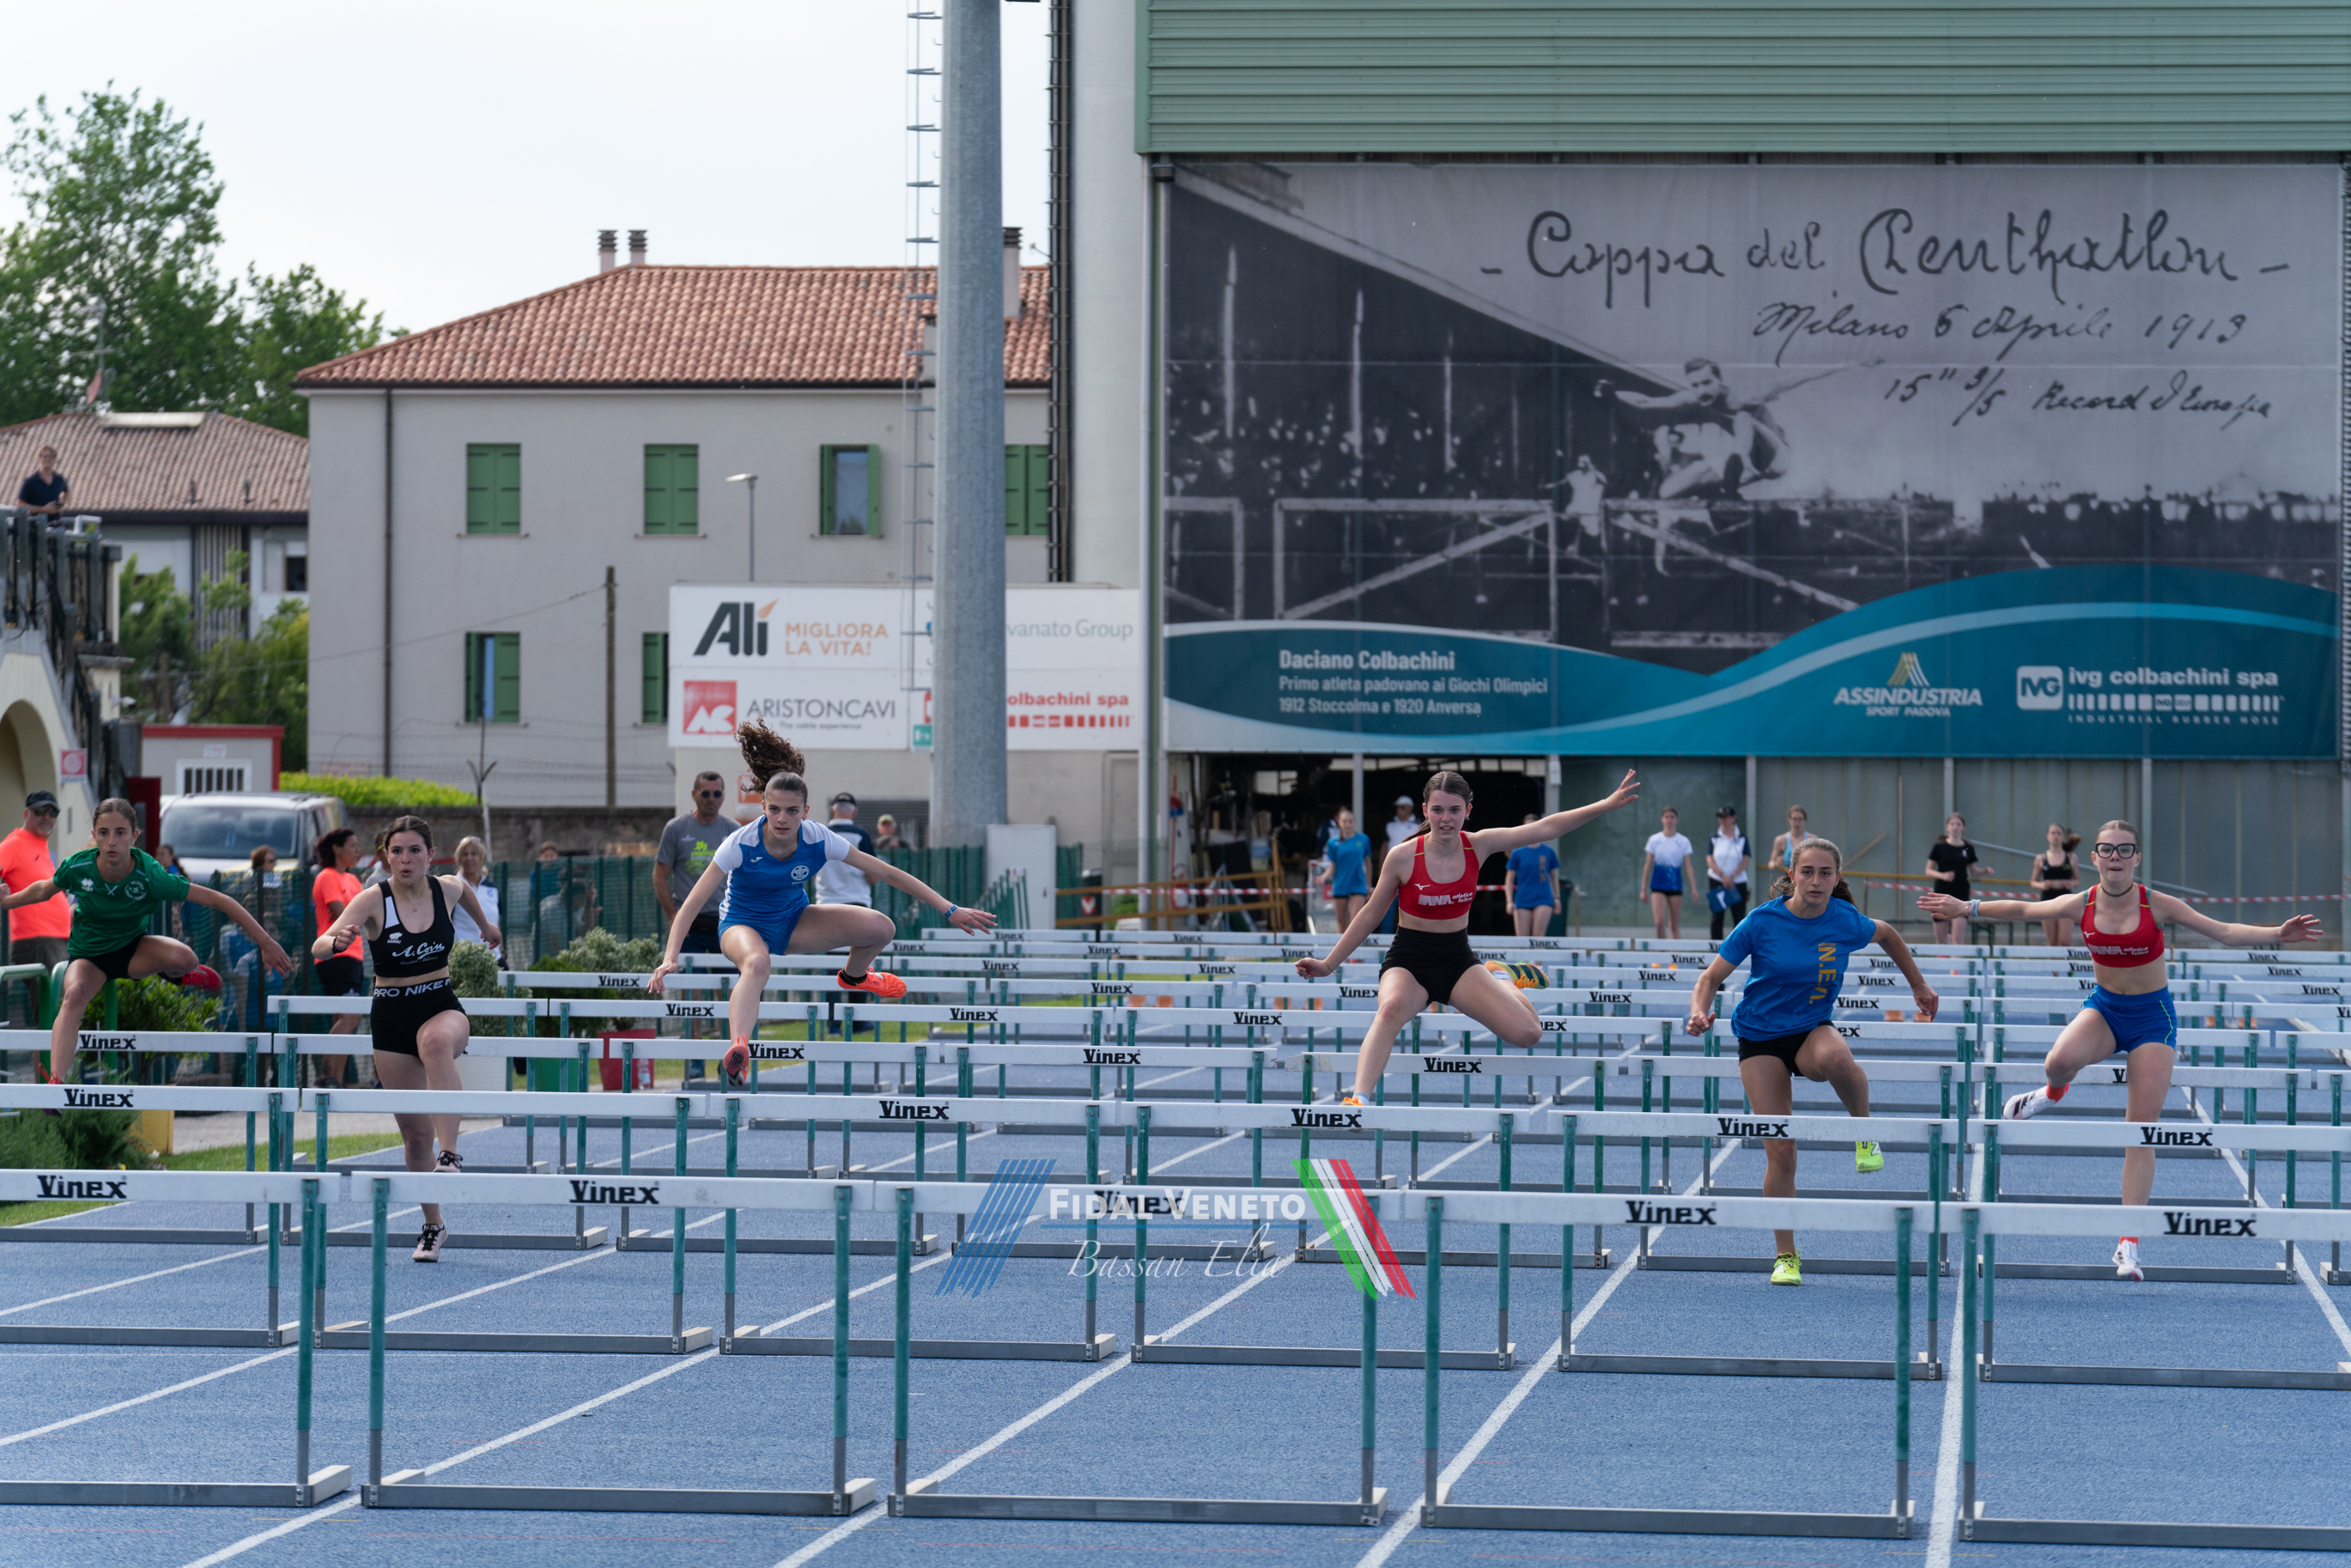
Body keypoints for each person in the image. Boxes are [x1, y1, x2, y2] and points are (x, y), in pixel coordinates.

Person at [1923, 820, 2323, 1280]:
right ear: (2094, 858)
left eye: (2124, 850)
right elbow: (2025, 909)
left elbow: (2224, 931)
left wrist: (2277, 934)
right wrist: (1967, 907)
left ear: (2137, 858)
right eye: (2107, 850)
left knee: (2140, 1130)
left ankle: (2128, 1243)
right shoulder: (2082, 902)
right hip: (2107, 1010)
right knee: (2057, 1063)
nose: (2115, 857)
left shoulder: (2157, 904)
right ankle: (2050, 1094)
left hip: (2152, 1018)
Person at [650, 720, 998, 1086]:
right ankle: (738, 1051)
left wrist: (949, 908)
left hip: (793, 921)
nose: (782, 819)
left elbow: (888, 873)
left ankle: (855, 976)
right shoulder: (739, 844)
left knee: (881, 927)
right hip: (741, 924)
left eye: (792, 811)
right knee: (757, 963)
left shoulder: (819, 838)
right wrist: (671, 956)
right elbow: (692, 904)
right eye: (775, 810)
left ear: (806, 811)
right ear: (763, 807)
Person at [1297, 769, 1640, 1107]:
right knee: (1388, 1010)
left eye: (1454, 810)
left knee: (1529, 1033)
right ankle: (1359, 1099)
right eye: (1437, 810)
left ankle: (1502, 977)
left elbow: (1546, 828)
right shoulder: (1403, 856)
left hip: (1457, 961)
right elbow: (1370, 914)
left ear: (1468, 811)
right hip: (1408, 962)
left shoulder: (1478, 845)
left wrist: (1604, 804)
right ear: (1425, 810)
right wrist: (1328, 964)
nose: (1446, 819)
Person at [1688, 837, 1940, 1285]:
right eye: (1807, 872)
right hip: (1761, 1038)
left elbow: (1887, 933)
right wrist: (1698, 1011)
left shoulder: (1844, 920)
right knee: (1782, 1152)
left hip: (1810, 1030)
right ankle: (1786, 1255)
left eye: (1826, 873)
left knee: (1838, 1057)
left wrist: (1918, 985)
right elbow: (1709, 978)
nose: (1816, 881)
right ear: (1792, 875)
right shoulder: (1761, 922)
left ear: (1837, 878)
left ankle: (1864, 1134)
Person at [312, 815, 502, 1263]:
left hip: (440, 1003)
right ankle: (433, 1225)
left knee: (435, 1044)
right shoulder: (372, 899)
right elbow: (319, 945)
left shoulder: (447, 889)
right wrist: (336, 942)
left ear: (430, 855)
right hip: (391, 1015)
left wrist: (487, 928)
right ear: (386, 856)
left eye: (414, 850)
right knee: (415, 1137)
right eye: (396, 851)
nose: (405, 859)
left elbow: (466, 891)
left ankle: (451, 1154)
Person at [7, 797, 269, 1086]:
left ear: (134, 836)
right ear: (94, 835)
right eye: (104, 833)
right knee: (73, 996)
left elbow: (219, 900)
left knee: (187, 959)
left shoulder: (150, 874)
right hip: (89, 957)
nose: (112, 842)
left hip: (132, 951)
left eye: (120, 833)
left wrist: (266, 943)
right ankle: (56, 1082)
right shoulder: (79, 867)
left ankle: (178, 975)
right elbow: (43, 890)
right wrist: (7, 902)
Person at [310, 829, 367, 1088]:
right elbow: (343, 916)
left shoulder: (353, 879)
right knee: (350, 1017)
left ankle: (337, 1080)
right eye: (352, 845)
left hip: (355, 956)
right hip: (335, 955)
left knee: (345, 1019)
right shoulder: (327, 876)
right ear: (336, 848)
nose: (358, 851)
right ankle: (325, 1076)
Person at [656, 772, 734, 957]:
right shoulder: (676, 829)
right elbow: (659, 876)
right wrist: (673, 915)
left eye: (717, 794)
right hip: (688, 923)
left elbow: (745, 876)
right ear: (694, 794)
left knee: (733, 975)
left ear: (723, 797)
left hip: (725, 921)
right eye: (705, 793)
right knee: (690, 975)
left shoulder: (733, 830)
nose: (711, 799)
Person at [0, 791, 70, 974]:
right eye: (40, 811)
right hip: (39, 942)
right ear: (26, 813)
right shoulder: (15, 843)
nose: (47, 817)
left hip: (51, 942)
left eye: (53, 812)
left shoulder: (39, 846)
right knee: (58, 993)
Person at [1639, 807, 1695, 939]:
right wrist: (1643, 889)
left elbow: (1688, 867)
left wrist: (1694, 889)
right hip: (1658, 885)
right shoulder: (1654, 840)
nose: (1669, 820)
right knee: (1659, 923)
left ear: (1676, 820)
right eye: (1667, 817)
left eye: (1672, 817)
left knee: (1674, 925)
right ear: (1662, 819)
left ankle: (1674, 952)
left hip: (1675, 886)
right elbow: (1648, 866)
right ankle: (1661, 950)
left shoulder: (1683, 841)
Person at [1503, 815, 1560, 938]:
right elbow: (1509, 879)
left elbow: (1553, 877)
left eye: (1533, 826)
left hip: (1543, 898)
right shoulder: (1517, 852)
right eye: (1527, 827)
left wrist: (1556, 898)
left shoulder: (1549, 851)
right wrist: (1509, 901)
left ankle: (1539, 952)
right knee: (1522, 939)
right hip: (1523, 899)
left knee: (1538, 937)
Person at [814, 793, 875, 907]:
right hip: (857, 902)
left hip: (827, 903)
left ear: (832, 810)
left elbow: (814, 872)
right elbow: (872, 877)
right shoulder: (861, 835)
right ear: (855, 812)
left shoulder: (819, 835)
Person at [1924, 813, 1977, 944]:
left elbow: (1973, 871)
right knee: (1941, 939)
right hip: (1942, 892)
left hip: (1961, 893)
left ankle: (1956, 957)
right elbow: (1928, 870)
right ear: (1947, 827)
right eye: (1952, 824)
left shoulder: (1968, 847)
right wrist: (1943, 875)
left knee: (1958, 938)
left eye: (1958, 824)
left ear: (1963, 828)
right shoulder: (1939, 847)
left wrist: (1984, 871)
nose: (1955, 827)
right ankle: (1945, 953)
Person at [1320, 807, 1374, 932]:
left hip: (1358, 884)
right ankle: (1341, 945)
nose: (1348, 824)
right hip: (1341, 884)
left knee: (1355, 923)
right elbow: (1333, 866)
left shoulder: (1363, 839)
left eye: (1350, 821)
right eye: (1344, 821)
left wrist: (1368, 884)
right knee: (1341, 923)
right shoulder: (1333, 842)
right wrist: (1323, 877)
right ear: (1339, 823)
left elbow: (1368, 863)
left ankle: (1355, 945)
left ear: (1354, 822)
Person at [2030, 824, 2081, 947]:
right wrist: (2042, 885)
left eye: (2059, 833)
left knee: (2065, 941)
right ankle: (2052, 961)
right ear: (2048, 836)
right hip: (2048, 900)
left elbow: (2077, 880)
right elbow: (2033, 882)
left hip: (2066, 901)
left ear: (2063, 837)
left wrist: (2072, 883)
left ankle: (2068, 960)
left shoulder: (2071, 857)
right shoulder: (2041, 858)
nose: (2056, 836)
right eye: (2053, 833)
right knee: (2052, 943)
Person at [1706, 805, 1752, 941]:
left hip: (1737, 882)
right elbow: (1710, 859)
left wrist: (1732, 876)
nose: (1723, 820)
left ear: (1733, 818)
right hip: (1717, 880)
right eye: (1720, 817)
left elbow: (1746, 858)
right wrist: (1723, 876)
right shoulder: (1714, 837)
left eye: (1726, 817)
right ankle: (1715, 948)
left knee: (1739, 917)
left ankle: (1737, 947)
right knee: (1717, 916)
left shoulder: (1742, 837)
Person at [450, 836, 501, 953]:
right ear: (459, 858)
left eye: (474, 854)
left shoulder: (492, 888)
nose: (469, 858)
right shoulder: (452, 888)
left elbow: (497, 924)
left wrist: (502, 951)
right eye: (465, 854)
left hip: (493, 956)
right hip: (463, 957)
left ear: (482, 858)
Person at [17, 445, 68, 517]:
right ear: (39, 459)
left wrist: (61, 504)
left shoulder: (59, 479)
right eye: (45, 456)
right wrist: (43, 509)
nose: (48, 459)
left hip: (56, 522)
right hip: (36, 523)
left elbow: (67, 491)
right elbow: (20, 505)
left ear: (55, 459)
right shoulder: (30, 481)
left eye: (51, 456)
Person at [1769, 805, 1813, 873]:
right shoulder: (1781, 840)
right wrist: (1776, 864)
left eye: (1800, 819)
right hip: (1789, 876)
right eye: (1794, 819)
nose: (1797, 822)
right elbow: (1771, 864)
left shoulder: (1812, 839)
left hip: (1807, 876)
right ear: (1789, 820)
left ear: (1805, 820)